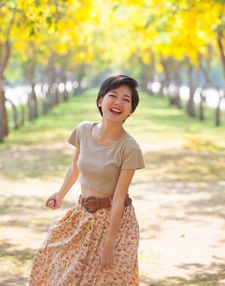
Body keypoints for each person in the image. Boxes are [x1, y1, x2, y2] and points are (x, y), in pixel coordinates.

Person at [29, 74, 145, 286]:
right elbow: (75, 166)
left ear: (131, 110)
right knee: (59, 267)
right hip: (82, 214)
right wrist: (60, 194)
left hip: (115, 222)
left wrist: (110, 245)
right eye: (113, 95)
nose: (118, 102)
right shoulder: (83, 130)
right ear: (101, 100)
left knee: (104, 279)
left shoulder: (130, 148)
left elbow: (119, 198)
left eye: (126, 99)